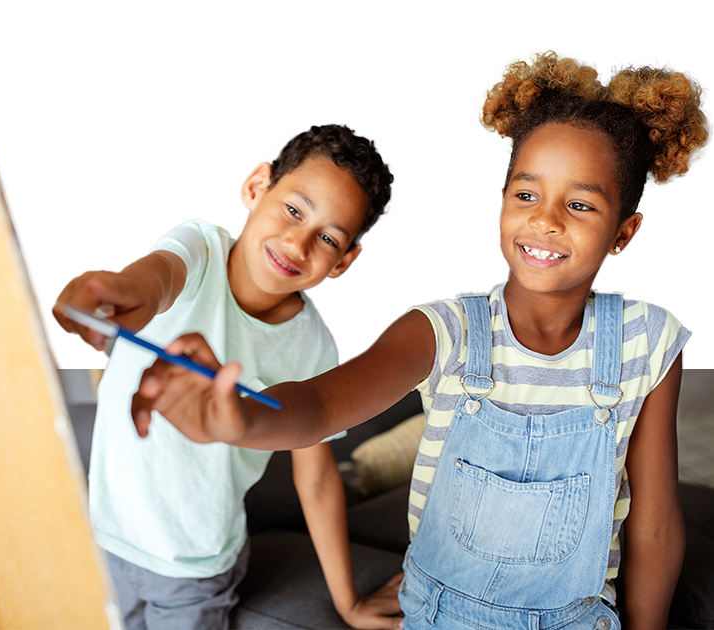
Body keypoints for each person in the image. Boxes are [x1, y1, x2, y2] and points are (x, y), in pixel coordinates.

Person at [132, 51, 711, 630]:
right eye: (526, 195)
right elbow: (322, 403)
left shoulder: (649, 343)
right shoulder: (443, 332)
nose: (545, 221)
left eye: (580, 204)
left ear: (623, 232)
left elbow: (656, 524)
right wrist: (242, 421)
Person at [52, 123, 404, 630]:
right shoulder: (198, 249)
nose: (297, 242)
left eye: (327, 237)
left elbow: (318, 478)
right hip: (99, 538)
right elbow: (155, 277)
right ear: (257, 186)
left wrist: (347, 601)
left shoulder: (314, 349)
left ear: (343, 261)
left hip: (195, 571)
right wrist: (122, 289)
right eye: (293, 209)